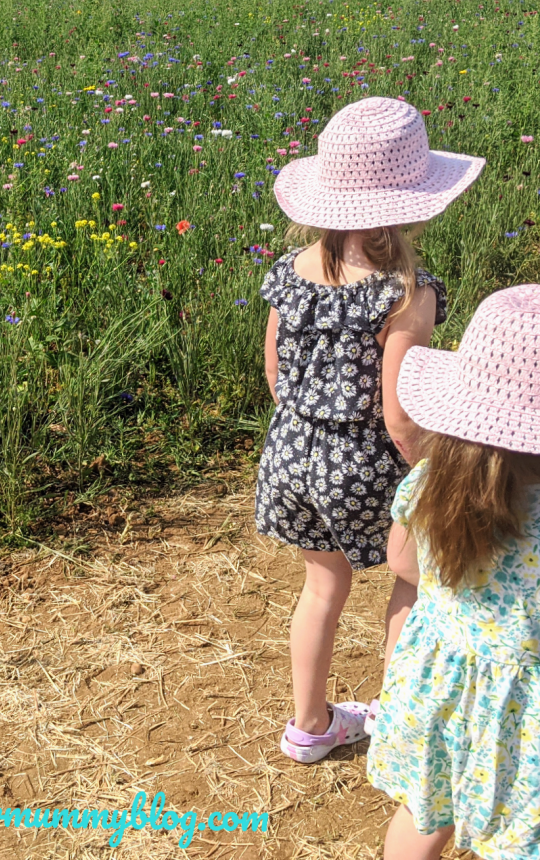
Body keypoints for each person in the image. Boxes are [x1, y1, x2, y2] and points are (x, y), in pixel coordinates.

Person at [256, 96, 485, 764]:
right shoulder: (407, 291)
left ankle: (308, 727)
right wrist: (428, 471)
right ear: (414, 200)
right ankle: (403, 724)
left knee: (322, 587)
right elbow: (399, 411)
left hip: (290, 451)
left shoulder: (288, 273)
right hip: (365, 460)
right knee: (409, 580)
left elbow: (274, 366)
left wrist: (304, 432)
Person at [367, 283, 540, 859]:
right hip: (523, 719)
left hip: (435, 685)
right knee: (515, 837)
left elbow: (401, 563)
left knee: (422, 810)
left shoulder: (430, 483)